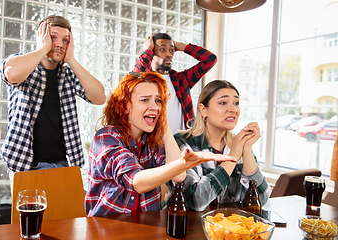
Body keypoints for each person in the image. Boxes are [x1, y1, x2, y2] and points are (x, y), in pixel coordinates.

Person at [85, 72, 235, 216]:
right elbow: (137, 181)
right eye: (144, 100)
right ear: (125, 106)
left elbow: (179, 177)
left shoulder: (153, 141)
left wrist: (163, 120)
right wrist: (184, 163)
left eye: (158, 101)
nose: (155, 107)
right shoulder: (106, 137)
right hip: (105, 228)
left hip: (146, 227)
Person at [0, 16, 106, 178]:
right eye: (52, 37)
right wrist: (43, 48)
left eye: (65, 40)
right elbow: (12, 74)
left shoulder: (68, 75)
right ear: (41, 37)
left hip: (63, 164)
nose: (58, 44)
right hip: (25, 164)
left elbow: (99, 97)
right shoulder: (25, 66)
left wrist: (71, 59)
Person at [170, 80, 272, 212]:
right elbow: (195, 201)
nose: (233, 109)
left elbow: (261, 199)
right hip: (193, 228)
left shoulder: (239, 143)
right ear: (203, 110)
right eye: (223, 103)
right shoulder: (183, 144)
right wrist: (234, 155)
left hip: (232, 227)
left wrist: (246, 149)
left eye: (236, 103)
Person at [133, 33, 217, 134]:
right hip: (153, 143)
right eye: (163, 49)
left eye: (172, 50)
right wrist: (148, 50)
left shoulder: (181, 79)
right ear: (152, 53)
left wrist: (183, 47)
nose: (169, 54)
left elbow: (210, 59)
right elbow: (134, 77)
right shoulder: (145, 80)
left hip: (182, 143)